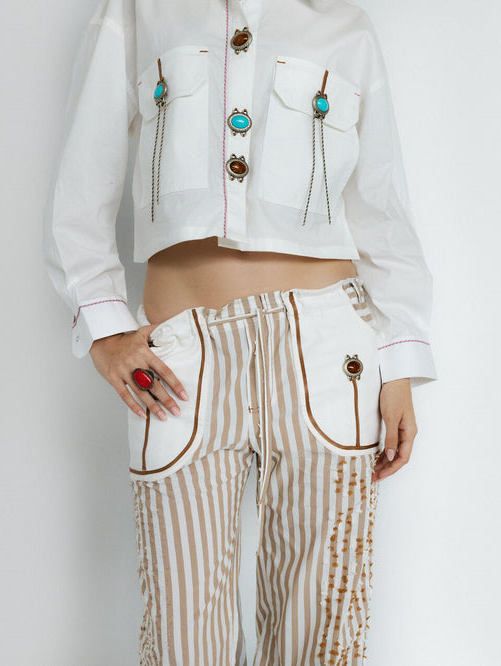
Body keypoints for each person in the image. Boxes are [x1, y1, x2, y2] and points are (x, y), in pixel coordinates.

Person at [42, 0, 438, 663]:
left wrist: (398, 363)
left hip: (325, 353)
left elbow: (382, 209)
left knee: (320, 637)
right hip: (179, 361)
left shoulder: (344, 25)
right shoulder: (138, 11)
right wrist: (105, 329)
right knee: (181, 641)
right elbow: (82, 184)